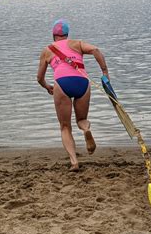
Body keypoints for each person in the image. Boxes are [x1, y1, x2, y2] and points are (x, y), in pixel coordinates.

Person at [37, 19, 109, 172]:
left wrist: (47, 86)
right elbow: (96, 50)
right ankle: (86, 130)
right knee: (81, 119)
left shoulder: (47, 50)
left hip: (62, 84)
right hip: (82, 81)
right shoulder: (77, 44)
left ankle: (74, 162)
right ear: (67, 34)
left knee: (65, 126)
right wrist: (104, 73)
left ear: (53, 35)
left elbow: (39, 78)